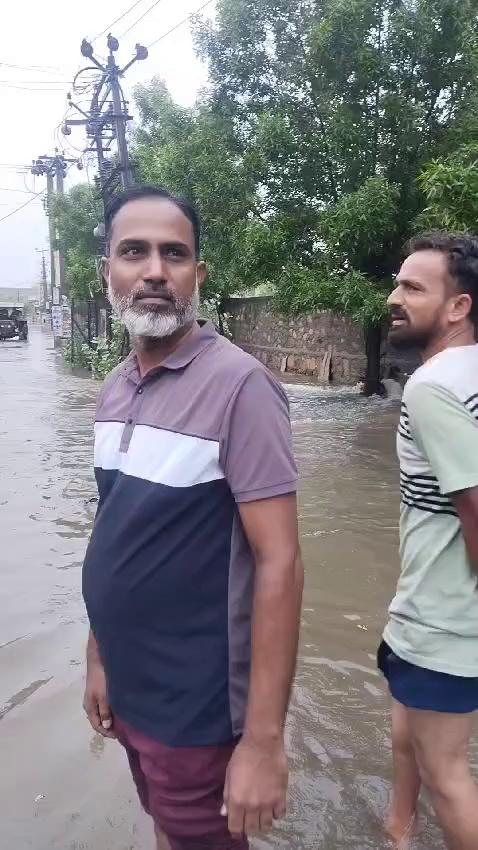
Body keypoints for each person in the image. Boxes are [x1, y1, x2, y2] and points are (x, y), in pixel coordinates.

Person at [81, 185, 303, 850]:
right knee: (168, 833)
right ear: (108, 274)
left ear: (197, 275)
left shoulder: (241, 387)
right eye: (134, 252)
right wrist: (98, 657)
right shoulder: (115, 387)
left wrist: (262, 742)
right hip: (130, 688)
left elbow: (281, 564)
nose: (154, 269)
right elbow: (113, 531)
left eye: (173, 253)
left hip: (196, 711)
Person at [379, 232, 478, 849]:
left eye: (413, 287)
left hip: (448, 621)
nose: (394, 297)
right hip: (424, 609)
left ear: (458, 306)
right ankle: (398, 826)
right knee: (403, 729)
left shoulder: (432, 386)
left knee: (448, 776)